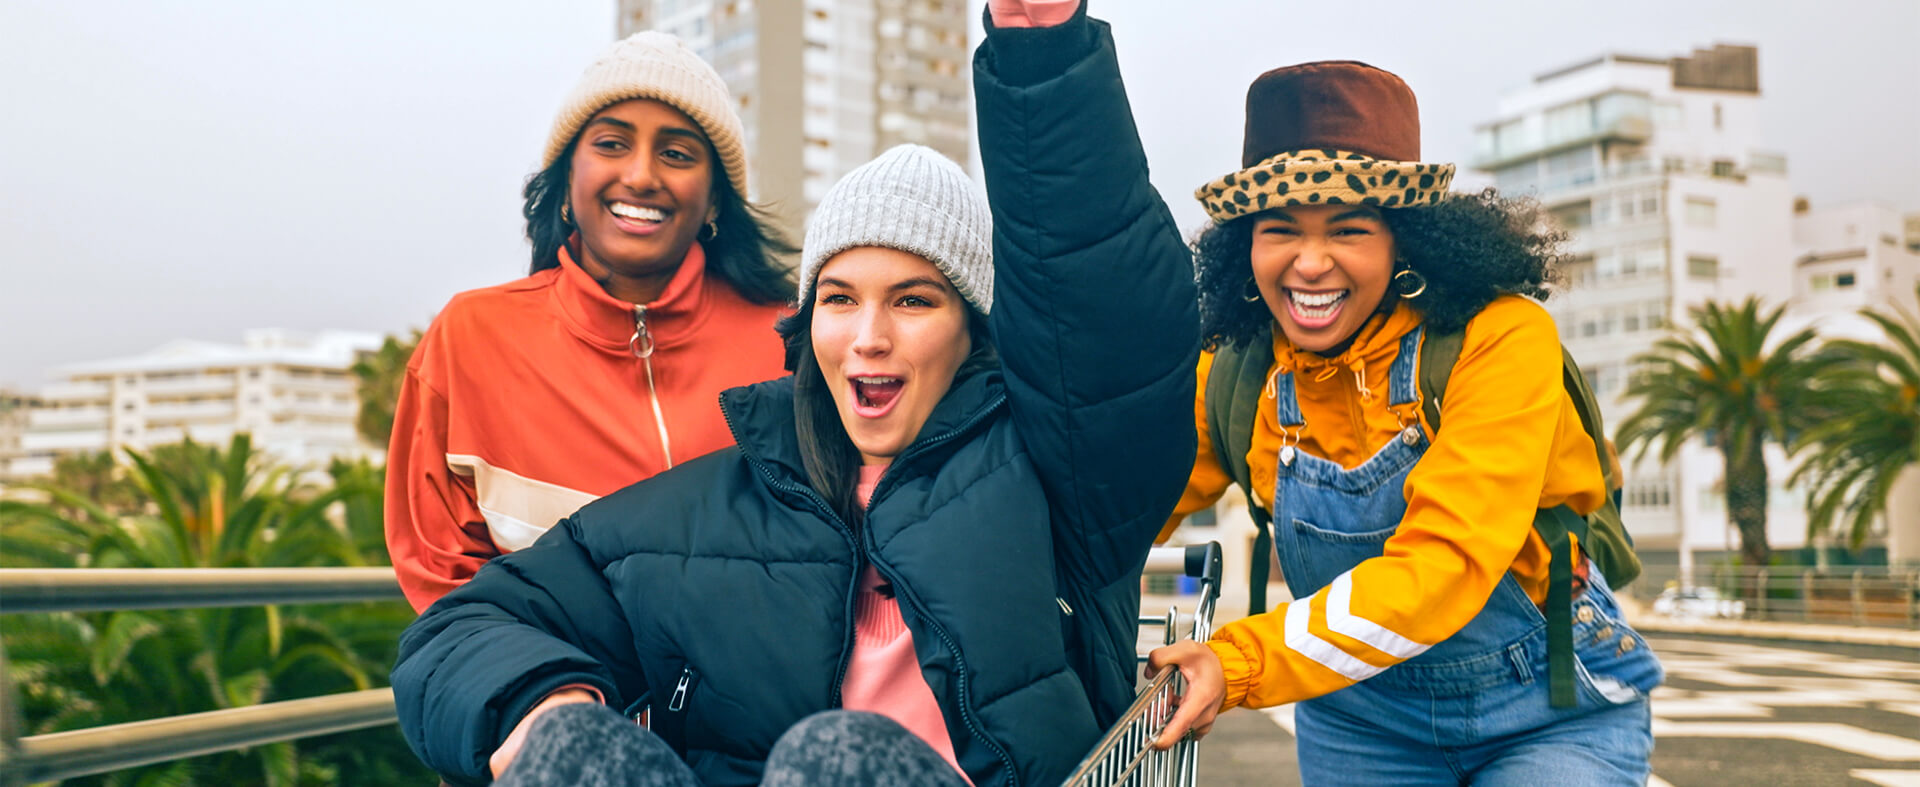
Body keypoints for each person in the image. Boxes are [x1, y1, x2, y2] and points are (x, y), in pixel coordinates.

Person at [390, 6, 1199, 785]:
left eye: (914, 300)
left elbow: (1102, 319)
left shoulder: (1060, 485)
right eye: (840, 299)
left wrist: (1043, 52)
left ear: (971, 331)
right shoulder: (727, 495)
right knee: (578, 750)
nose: (868, 336)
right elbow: (463, 626)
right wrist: (545, 702)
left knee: (837, 756)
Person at [1146, 60, 1664, 785]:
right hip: (1355, 716)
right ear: (1246, 245)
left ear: (1404, 240)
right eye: (1280, 229)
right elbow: (1128, 508)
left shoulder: (1502, 339)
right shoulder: (1235, 371)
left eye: (1349, 228)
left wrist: (1238, 661)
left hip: (1546, 702)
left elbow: (1443, 563)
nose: (1311, 262)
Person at [385, 31, 796, 612]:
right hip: (553, 693)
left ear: (714, 203)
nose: (641, 175)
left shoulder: (792, 340)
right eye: (611, 144)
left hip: (759, 698)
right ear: (565, 180)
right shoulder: (471, 336)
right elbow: (443, 577)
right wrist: (554, 695)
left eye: (676, 153)